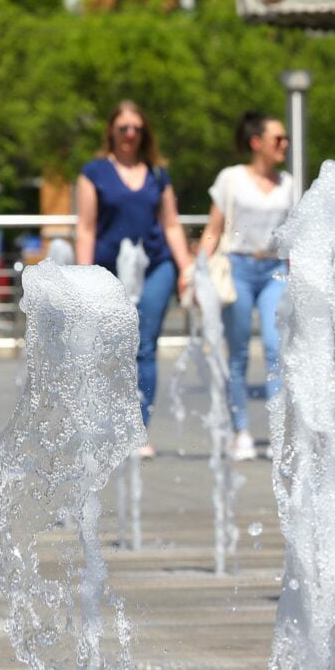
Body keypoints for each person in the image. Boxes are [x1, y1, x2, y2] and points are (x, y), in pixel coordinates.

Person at [76, 100, 193, 459]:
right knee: (107, 348)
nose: (129, 135)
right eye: (123, 128)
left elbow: (172, 224)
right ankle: (103, 424)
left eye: (136, 129)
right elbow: (85, 228)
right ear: (111, 131)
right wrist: (82, 278)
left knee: (144, 346)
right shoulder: (93, 173)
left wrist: (186, 267)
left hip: (155, 265)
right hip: (107, 269)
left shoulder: (157, 174)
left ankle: (137, 430)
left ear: (144, 134)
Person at [199, 112, 294, 462]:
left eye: (285, 139)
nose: (284, 145)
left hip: (274, 270)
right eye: (277, 139)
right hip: (237, 267)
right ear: (257, 142)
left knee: (275, 348)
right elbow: (214, 226)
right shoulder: (232, 179)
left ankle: (279, 433)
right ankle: (240, 431)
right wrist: (196, 267)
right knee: (237, 353)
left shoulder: (289, 183)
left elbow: (295, 234)